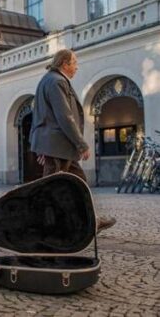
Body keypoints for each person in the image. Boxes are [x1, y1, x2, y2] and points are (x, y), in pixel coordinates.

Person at [29, 49, 116, 233]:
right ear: (64, 64)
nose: (77, 67)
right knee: (52, 189)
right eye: (74, 63)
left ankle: (90, 221)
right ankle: (44, 228)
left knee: (80, 184)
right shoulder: (56, 81)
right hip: (58, 146)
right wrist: (81, 144)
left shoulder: (51, 80)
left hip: (59, 147)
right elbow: (64, 117)